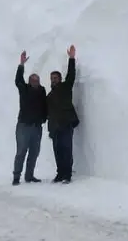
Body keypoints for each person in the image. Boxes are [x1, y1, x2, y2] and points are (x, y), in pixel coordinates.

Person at [12, 50, 47, 186]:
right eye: (33, 80)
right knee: (21, 152)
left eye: (37, 80)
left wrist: (43, 119)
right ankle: (16, 176)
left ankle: (29, 175)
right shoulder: (24, 89)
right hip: (24, 126)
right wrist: (21, 65)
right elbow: (18, 80)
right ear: (29, 81)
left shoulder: (42, 91)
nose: (35, 82)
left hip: (36, 127)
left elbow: (45, 106)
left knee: (34, 152)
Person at [47, 45, 80, 184]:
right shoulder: (48, 96)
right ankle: (60, 173)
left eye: (55, 77)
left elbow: (71, 75)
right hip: (55, 127)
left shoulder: (65, 88)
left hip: (66, 125)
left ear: (59, 79)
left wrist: (71, 58)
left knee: (67, 149)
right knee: (57, 151)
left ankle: (67, 175)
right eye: (51, 78)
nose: (53, 80)